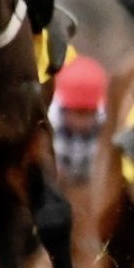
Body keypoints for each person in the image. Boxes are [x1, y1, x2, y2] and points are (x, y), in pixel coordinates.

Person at [50, 53, 109, 188]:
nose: (84, 122)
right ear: (64, 108)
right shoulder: (50, 123)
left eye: (89, 113)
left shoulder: (106, 124)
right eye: (78, 113)